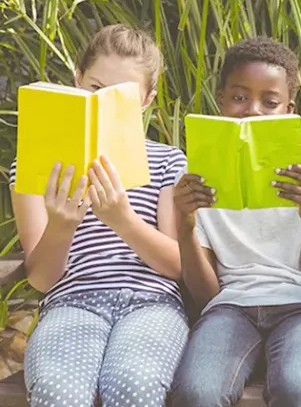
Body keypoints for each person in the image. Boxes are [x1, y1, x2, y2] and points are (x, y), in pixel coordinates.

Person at [12, 24, 188, 407]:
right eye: (95, 88)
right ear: (77, 80)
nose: (104, 99)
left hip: (151, 303)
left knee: (134, 385)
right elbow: (41, 279)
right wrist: (62, 225)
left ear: (146, 100)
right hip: (72, 301)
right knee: (59, 392)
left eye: (121, 95)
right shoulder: (32, 167)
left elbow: (177, 265)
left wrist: (123, 219)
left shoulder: (168, 162)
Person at [169, 36, 301, 407]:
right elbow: (206, 295)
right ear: (221, 100)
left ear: (289, 109)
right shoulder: (195, 175)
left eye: (270, 101)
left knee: (300, 387)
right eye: (240, 97)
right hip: (229, 308)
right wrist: (184, 225)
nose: (253, 110)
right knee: (198, 391)